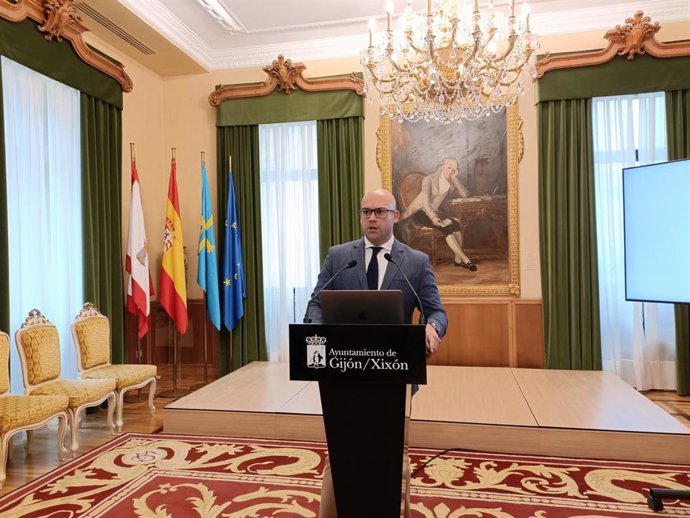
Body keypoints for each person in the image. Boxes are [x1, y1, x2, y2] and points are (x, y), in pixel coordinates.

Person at [304, 188, 448, 518]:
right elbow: (317, 303)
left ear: (395, 216)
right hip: (343, 376)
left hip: (394, 379)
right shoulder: (339, 257)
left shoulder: (415, 261)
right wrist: (315, 329)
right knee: (342, 453)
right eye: (366, 211)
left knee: (392, 456)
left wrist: (432, 328)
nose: (372, 217)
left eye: (380, 211)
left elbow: (437, 312)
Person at [400, 157, 478, 271]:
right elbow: (425, 202)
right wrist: (433, 217)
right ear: (442, 166)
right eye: (449, 168)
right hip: (418, 212)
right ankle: (466, 259)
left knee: (456, 225)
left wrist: (455, 178)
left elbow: (465, 194)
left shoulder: (450, 182)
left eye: (454, 170)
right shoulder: (428, 179)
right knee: (446, 228)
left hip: (433, 210)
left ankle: (457, 260)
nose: (450, 171)